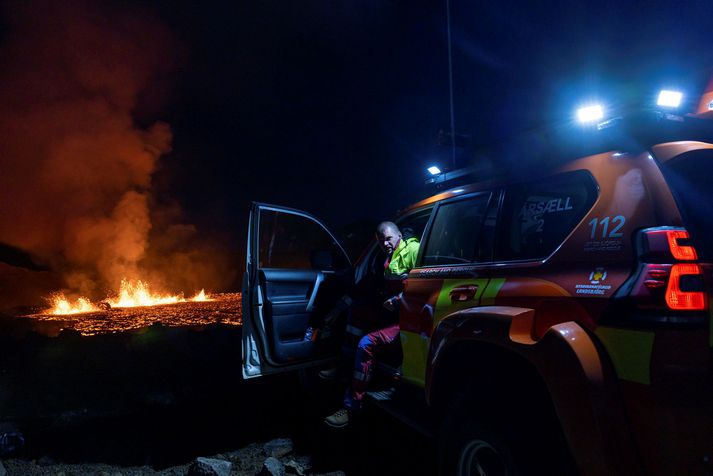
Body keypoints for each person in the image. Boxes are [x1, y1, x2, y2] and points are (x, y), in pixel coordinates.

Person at [324, 221, 420, 428]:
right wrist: (337, 309)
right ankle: (344, 366)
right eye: (380, 239)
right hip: (393, 315)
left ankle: (352, 405)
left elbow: (425, 284)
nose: (385, 243)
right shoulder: (386, 258)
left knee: (365, 343)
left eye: (388, 238)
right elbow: (365, 287)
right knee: (356, 313)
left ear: (399, 235)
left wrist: (397, 300)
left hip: (410, 319)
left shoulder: (413, 249)